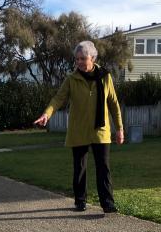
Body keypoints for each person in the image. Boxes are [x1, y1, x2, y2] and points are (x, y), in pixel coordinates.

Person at [34, 40, 124, 213]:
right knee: (80, 168)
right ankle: (80, 201)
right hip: (78, 130)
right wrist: (47, 114)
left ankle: (107, 203)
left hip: (101, 130)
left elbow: (113, 104)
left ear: (93, 58)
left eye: (83, 58)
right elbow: (58, 99)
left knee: (103, 167)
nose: (80, 62)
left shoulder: (105, 76)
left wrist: (119, 128)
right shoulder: (71, 79)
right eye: (77, 59)